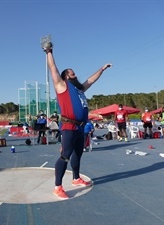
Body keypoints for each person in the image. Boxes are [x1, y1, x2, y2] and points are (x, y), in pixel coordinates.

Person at [43, 41, 112, 199]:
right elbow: (53, 68)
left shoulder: (79, 89)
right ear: (66, 76)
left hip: (81, 127)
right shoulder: (62, 86)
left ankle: (75, 178)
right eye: (72, 73)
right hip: (68, 126)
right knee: (65, 155)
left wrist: (102, 69)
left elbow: (91, 80)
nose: (75, 74)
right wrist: (49, 52)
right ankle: (57, 187)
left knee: (78, 154)